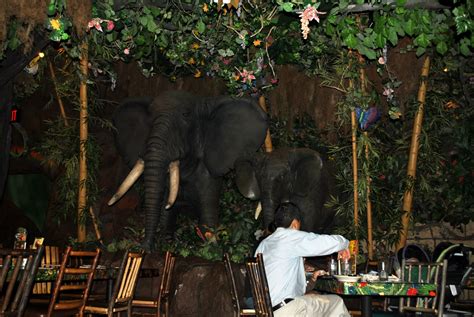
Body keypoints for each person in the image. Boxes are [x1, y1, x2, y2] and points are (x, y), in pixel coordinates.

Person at [255, 202, 351, 317]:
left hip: (266, 311)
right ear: (295, 224)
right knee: (337, 303)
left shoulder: (263, 244)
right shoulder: (290, 237)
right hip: (286, 310)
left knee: (314, 300)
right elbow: (325, 243)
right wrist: (344, 244)